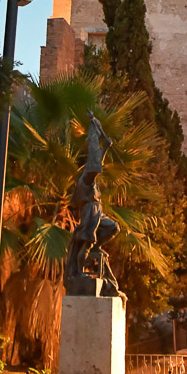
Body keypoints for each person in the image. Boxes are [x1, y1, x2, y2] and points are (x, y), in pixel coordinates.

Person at [65, 111, 124, 299]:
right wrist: (95, 135)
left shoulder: (90, 181)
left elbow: (98, 162)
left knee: (113, 227)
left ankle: (96, 248)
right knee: (86, 242)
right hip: (90, 212)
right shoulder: (86, 181)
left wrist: (106, 147)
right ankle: (80, 271)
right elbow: (95, 164)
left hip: (98, 211)